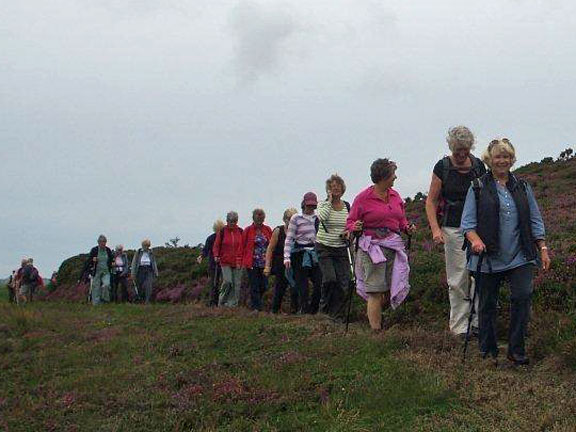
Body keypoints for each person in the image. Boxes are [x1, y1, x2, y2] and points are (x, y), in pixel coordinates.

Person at [461, 138, 550, 365]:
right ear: (490, 160)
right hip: (488, 257)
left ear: (512, 159)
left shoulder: (522, 186)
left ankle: (516, 350)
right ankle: (488, 349)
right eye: (498, 157)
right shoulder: (478, 187)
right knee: (488, 304)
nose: (502, 161)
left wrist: (543, 248)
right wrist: (476, 241)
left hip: (520, 255)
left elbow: (535, 219)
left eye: (507, 156)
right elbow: (467, 224)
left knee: (522, 297)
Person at [425, 126, 487, 338]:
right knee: (458, 276)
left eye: (465, 149)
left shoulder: (479, 166)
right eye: (458, 149)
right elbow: (431, 201)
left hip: (477, 228)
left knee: (479, 274)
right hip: (452, 227)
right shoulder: (442, 167)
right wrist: (435, 229)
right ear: (452, 147)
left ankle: (478, 323)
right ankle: (459, 327)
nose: (462, 154)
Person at [346, 159, 416, 331]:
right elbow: (350, 222)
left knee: (388, 288)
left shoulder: (395, 196)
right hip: (371, 248)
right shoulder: (363, 198)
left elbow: (401, 219)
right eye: (393, 174)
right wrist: (354, 227)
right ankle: (376, 330)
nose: (395, 177)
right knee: (375, 290)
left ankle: (378, 321)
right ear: (384, 176)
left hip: (392, 245)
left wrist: (407, 228)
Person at [316, 174, 351, 322]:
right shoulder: (323, 204)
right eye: (332, 186)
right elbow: (322, 217)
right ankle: (324, 310)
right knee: (330, 279)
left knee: (344, 283)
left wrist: (348, 232)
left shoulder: (347, 206)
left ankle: (338, 316)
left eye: (338, 186)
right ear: (328, 190)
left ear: (343, 188)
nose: (335, 188)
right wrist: (329, 201)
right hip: (324, 247)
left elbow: (350, 223)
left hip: (341, 248)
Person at [284, 192, 323, 314]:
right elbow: (289, 238)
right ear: (304, 205)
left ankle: (313, 310)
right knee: (303, 286)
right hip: (299, 254)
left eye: (313, 206)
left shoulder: (318, 219)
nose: (310, 208)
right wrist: (287, 257)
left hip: (314, 253)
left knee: (319, 283)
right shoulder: (296, 218)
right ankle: (304, 311)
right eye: (308, 205)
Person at [265, 208, 299, 313]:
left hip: (295, 263)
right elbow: (270, 249)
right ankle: (274, 311)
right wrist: (267, 266)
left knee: (296, 288)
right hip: (280, 263)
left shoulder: (300, 231)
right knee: (280, 288)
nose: (291, 221)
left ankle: (295, 311)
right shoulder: (278, 231)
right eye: (289, 218)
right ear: (284, 219)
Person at [242, 209, 272, 311]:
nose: (260, 219)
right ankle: (257, 308)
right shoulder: (247, 230)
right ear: (253, 217)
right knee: (254, 285)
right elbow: (242, 246)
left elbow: (272, 244)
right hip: (252, 262)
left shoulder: (268, 229)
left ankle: (255, 303)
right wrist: (241, 260)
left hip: (265, 263)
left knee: (264, 285)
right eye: (258, 216)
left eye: (261, 217)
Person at [212, 211, 244, 307]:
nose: (232, 223)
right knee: (228, 281)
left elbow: (243, 246)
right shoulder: (222, 232)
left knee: (236, 284)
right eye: (230, 221)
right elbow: (216, 245)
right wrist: (216, 255)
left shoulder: (241, 231)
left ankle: (232, 304)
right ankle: (221, 302)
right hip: (225, 261)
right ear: (227, 221)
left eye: (234, 221)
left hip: (238, 261)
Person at [197, 220, 225, 306]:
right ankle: (213, 302)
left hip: (224, 264)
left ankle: (220, 302)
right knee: (214, 283)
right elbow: (206, 250)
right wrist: (201, 256)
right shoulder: (211, 238)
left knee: (222, 283)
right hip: (213, 264)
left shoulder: (224, 238)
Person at [81, 235, 114, 305]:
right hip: (96, 271)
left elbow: (111, 259)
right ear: (98, 242)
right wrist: (93, 260)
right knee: (95, 287)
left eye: (104, 242)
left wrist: (112, 264)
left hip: (106, 271)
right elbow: (89, 261)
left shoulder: (108, 250)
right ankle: (96, 303)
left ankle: (105, 300)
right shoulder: (94, 250)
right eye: (101, 242)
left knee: (106, 285)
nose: (103, 243)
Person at [131, 239, 159, 304]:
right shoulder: (138, 252)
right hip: (140, 270)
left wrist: (156, 272)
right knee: (139, 286)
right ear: (143, 245)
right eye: (146, 246)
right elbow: (134, 263)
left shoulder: (151, 253)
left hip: (149, 270)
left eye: (148, 246)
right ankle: (141, 300)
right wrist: (133, 273)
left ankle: (147, 301)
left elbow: (154, 262)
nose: (147, 247)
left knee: (148, 285)